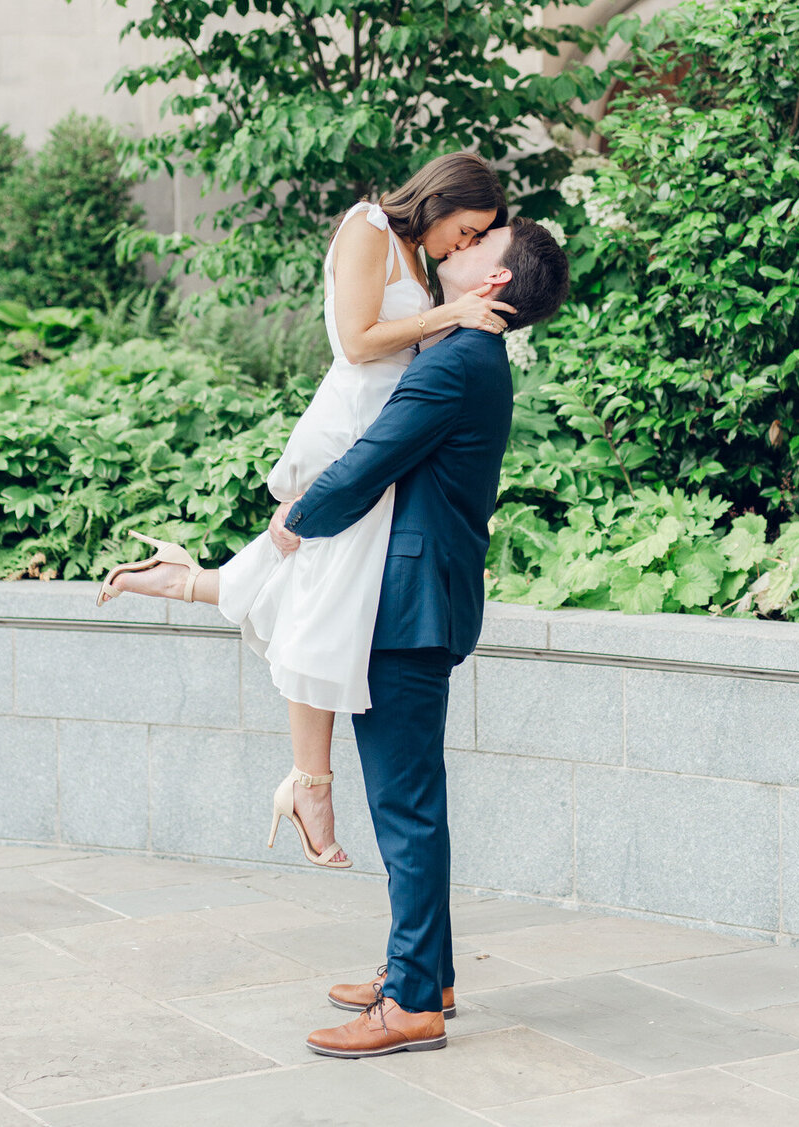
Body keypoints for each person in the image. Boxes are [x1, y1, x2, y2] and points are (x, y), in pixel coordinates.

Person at [99, 152, 513, 868]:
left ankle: (186, 578)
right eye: (468, 229)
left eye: (479, 240)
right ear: (443, 197)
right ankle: (310, 782)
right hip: (352, 431)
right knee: (323, 599)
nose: (466, 246)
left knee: (318, 588)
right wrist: (455, 313)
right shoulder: (369, 227)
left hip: (387, 440)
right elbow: (356, 342)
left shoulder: (418, 256)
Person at [291, 217, 570, 1057]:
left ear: (493, 283)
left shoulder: (453, 361)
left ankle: (410, 1001)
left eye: (479, 244)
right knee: (415, 799)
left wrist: (291, 523)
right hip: (425, 594)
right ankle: (429, 973)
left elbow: (370, 459)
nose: (457, 246)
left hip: (408, 604)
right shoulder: (466, 351)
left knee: (404, 805)